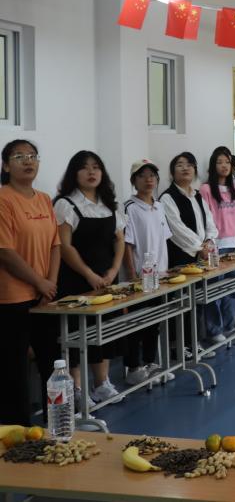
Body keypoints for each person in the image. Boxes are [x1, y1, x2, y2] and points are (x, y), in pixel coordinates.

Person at [54, 150, 126, 407]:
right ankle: (77, 390)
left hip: (106, 280)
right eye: (84, 167)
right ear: (74, 174)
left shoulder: (109, 204)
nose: (91, 172)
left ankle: (102, 383)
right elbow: (65, 247)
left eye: (96, 167)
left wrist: (113, 271)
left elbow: (119, 241)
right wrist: (89, 274)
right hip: (76, 281)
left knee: (104, 330)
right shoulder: (65, 204)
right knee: (76, 334)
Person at [0, 140, 60, 427]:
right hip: (12, 297)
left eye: (33, 156)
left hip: (45, 296)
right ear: (5, 166)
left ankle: (55, 427)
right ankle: (18, 433)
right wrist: (39, 282)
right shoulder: (3, 199)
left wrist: (50, 284)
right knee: (14, 370)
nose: (28, 161)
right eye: (19, 156)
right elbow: (5, 252)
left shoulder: (45, 199)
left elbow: (55, 244)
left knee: (51, 363)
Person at [160, 152, 218, 358]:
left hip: (200, 256)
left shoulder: (197, 195)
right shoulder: (167, 197)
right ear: (172, 172)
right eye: (180, 165)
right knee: (180, 303)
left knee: (197, 301)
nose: (185, 168)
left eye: (189, 165)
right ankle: (178, 346)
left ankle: (194, 341)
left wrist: (209, 242)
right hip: (180, 256)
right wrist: (199, 247)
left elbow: (209, 221)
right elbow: (176, 229)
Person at [122, 159, 173, 386]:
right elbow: (127, 243)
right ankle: (133, 367)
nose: (148, 179)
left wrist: (166, 270)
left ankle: (151, 363)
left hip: (160, 274)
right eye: (142, 176)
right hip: (139, 277)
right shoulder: (130, 207)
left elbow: (164, 239)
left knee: (155, 320)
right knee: (136, 322)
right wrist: (131, 274)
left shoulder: (159, 206)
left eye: (152, 175)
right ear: (134, 181)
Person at [198, 147, 235, 339]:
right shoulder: (206, 189)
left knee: (232, 289)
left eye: (227, 162)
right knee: (214, 290)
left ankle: (229, 325)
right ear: (212, 165)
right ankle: (214, 330)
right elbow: (205, 218)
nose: (224, 166)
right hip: (217, 246)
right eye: (219, 162)